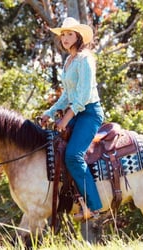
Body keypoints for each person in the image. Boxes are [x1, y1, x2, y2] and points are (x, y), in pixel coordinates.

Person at [41, 17, 104, 220]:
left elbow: (83, 97)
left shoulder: (86, 59)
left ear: (78, 36)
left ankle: (94, 207)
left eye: (70, 34)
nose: (66, 38)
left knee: (73, 156)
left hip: (89, 113)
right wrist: (49, 112)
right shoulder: (69, 61)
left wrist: (65, 119)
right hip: (75, 112)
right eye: (63, 34)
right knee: (53, 148)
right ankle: (72, 199)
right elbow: (67, 95)